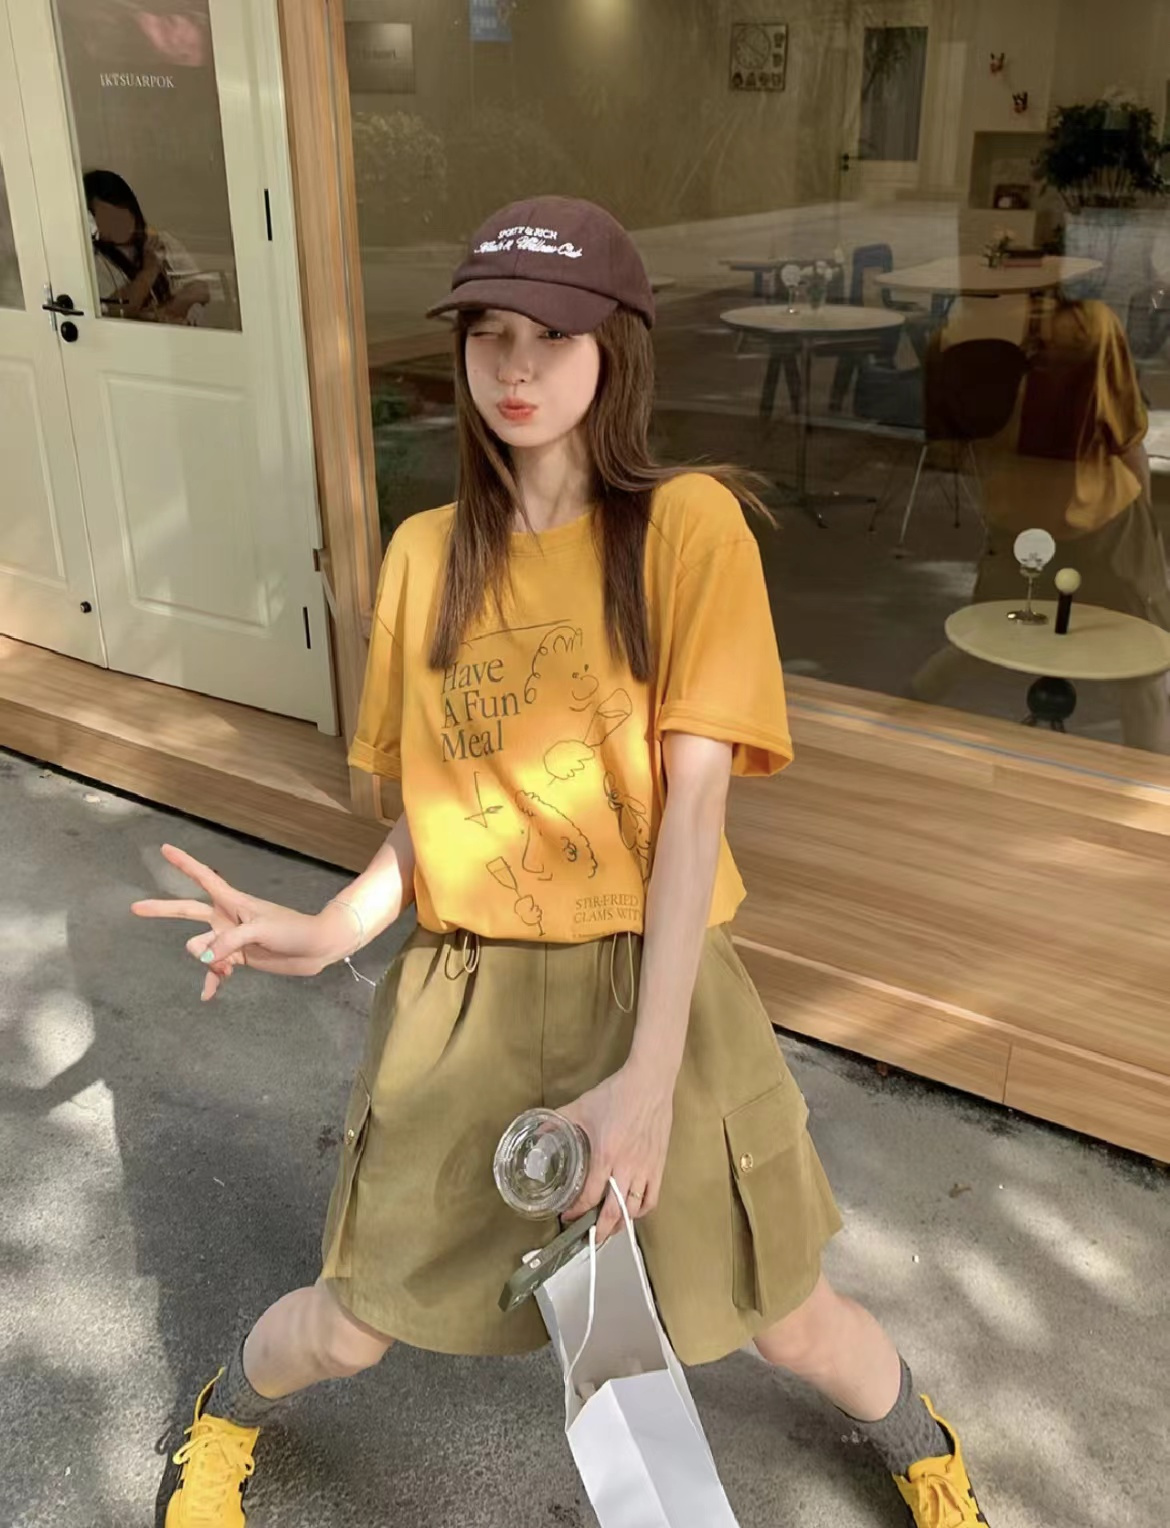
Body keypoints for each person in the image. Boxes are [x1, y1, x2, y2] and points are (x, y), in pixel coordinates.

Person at [134, 196, 989, 1528]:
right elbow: (440, 804)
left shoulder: (688, 530)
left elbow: (693, 808)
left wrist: (646, 1082)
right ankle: (221, 1416)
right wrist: (330, 926)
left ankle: (922, 1443)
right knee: (359, 1315)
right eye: (488, 334)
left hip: (657, 982)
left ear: (617, 349)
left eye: (552, 335)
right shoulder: (425, 556)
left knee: (782, 1309)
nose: (516, 367)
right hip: (463, 995)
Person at [911, 289, 1170, 752]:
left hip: (1022, 526)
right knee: (1143, 676)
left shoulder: (956, 338)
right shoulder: (1089, 327)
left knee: (975, 644)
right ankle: (1148, 788)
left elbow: (952, 451)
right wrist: (1147, 533)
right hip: (1101, 526)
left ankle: (892, 728)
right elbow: (1127, 437)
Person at [83, 169, 210, 326]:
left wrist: (166, 310)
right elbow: (118, 311)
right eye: (107, 217)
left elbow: (201, 288)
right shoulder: (95, 263)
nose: (118, 223)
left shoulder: (162, 241)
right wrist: (150, 270)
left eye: (121, 214)